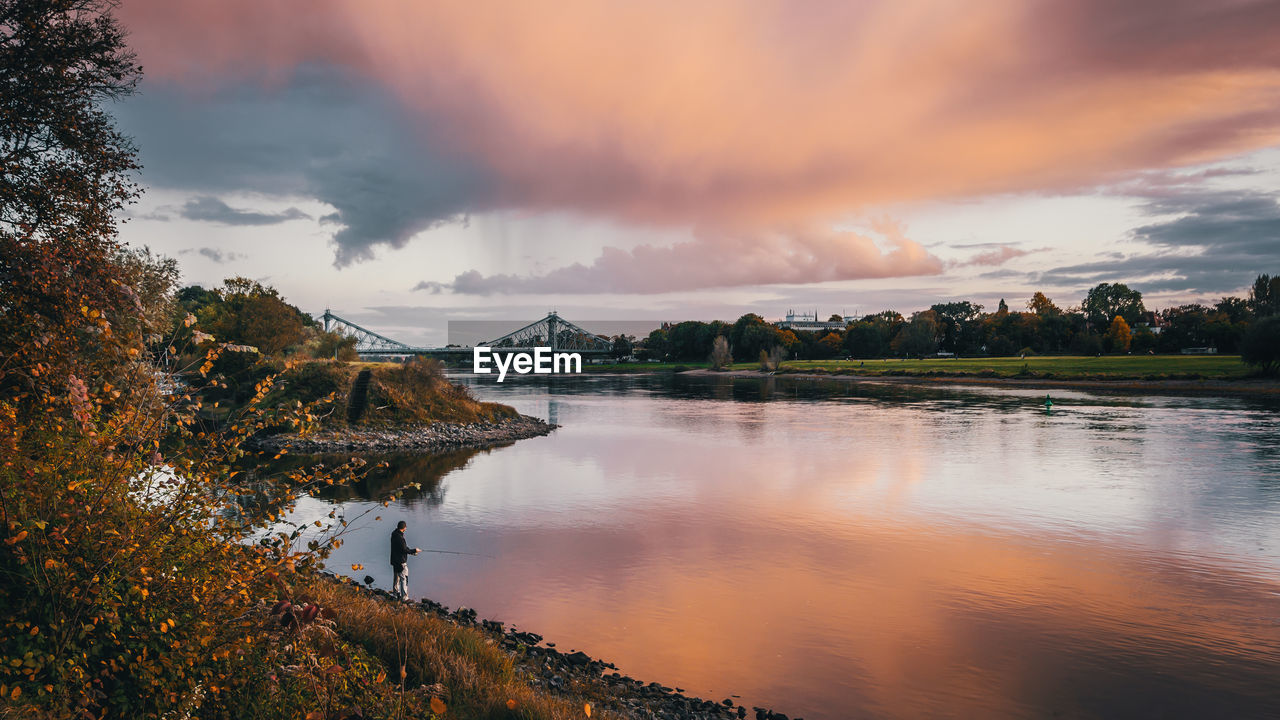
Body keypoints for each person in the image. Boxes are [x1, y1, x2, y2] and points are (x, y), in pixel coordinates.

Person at [389, 520, 420, 600]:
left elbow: (402, 548)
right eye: (405, 527)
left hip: (395, 561)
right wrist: (414, 550)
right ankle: (404, 598)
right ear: (404, 528)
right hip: (401, 562)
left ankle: (395, 595)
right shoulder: (400, 537)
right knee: (404, 579)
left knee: (396, 579)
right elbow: (404, 549)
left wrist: (412, 552)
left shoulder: (394, 534)